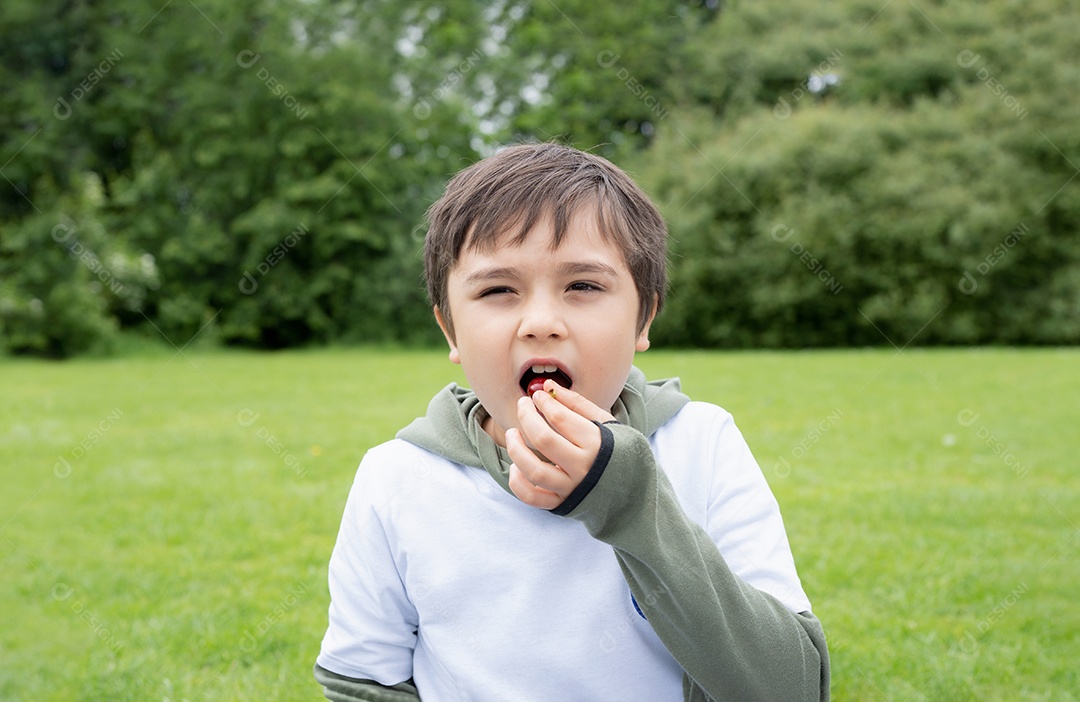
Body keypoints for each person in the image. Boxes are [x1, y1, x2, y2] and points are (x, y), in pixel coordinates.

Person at [314, 143, 830, 701]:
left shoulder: (700, 444)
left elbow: (793, 688)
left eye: (583, 285)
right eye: (497, 290)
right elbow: (363, 683)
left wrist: (631, 500)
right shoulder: (396, 479)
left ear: (643, 318)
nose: (541, 322)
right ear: (450, 332)